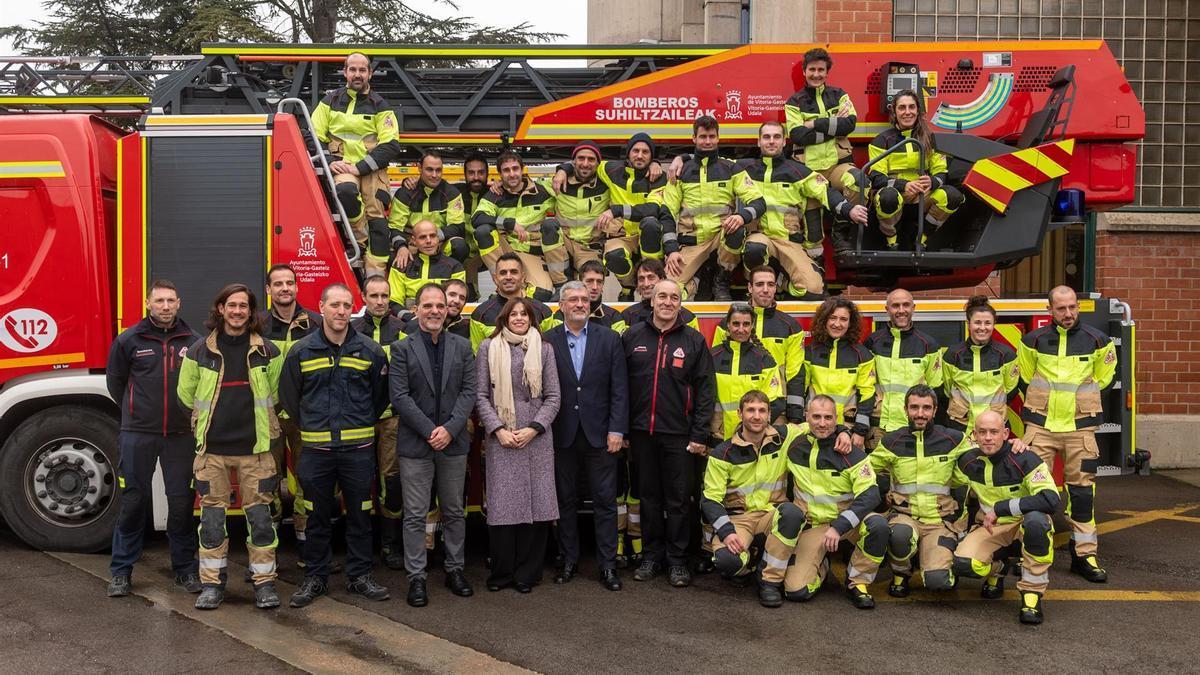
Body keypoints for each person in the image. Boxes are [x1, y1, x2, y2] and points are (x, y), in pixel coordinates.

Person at [280, 283, 391, 608]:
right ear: (322, 307)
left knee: (360, 516)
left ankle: (359, 577)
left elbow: (379, 397)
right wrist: (313, 425)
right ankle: (315, 577)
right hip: (316, 452)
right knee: (316, 516)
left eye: (346, 306)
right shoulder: (301, 351)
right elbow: (289, 396)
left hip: (357, 451)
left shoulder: (370, 351)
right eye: (335, 305)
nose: (341, 311)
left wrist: (358, 423)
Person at [177, 284, 283, 610]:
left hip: (256, 450)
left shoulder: (268, 352)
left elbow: (276, 397)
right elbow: (186, 395)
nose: (238, 311)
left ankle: (264, 584)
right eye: (231, 305)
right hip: (213, 451)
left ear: (251, 312)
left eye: (244, 306)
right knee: (210, 521)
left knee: (262, 520)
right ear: (220, 309)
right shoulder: (198, 352)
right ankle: (212, 585)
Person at [105, 280, 199, 598]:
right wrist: (137, 415)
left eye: (170, 300)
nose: (165, 306)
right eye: (158, 300)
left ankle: (185, 570)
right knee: (133, 502)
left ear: (179, 303)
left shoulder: (194, 342)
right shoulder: (129, 340)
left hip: (180, 436)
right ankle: (121, 572)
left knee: (182, 505)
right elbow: (116, 383)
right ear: (147, 303)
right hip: (138, 435)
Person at [1018, 285, 1117, 583]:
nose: (1068, 313)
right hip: (1041, 427)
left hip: (1080, 427)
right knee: (1037, 491)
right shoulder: (1032, 341)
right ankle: (1036, 553)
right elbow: (1025, 376)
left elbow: (1105, 378)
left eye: (1072, 307)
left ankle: (1084, 555)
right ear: (1050, 310)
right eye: (1061, 308)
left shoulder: (1098, 341)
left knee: (1082, 493)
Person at [389, 284, 478, 607]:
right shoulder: (402, 349)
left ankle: (455, 569)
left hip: (453, 443)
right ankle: (417, 577)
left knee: (454, 511)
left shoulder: (463, 346)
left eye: (440, 305)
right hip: (417, 443)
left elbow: (470, 392)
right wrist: (431, 431)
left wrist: (450, 430)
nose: (435, 311)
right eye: (428, 305)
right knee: (414, 514)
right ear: (416, 309)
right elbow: (399, 397)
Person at [623, 279, 715, 587]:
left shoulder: (693, 341)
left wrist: (700, 435)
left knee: (678, 500)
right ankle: (652, 557)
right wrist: (622, 430)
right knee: (648, 497)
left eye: (673, 297)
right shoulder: (632, 336)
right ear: (651, 299)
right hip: (640, 434)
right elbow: (620, 388)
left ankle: (678, 561)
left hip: (679, 435)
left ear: (680, 303)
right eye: (662, 295)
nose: (667, 301)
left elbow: (705, 392)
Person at [545, 281, 628, 591]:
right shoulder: (548, 341)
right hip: (561, 434)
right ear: (562, 307)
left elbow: (619, 388)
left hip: (601, 435)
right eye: (573, 300)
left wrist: (617, 430)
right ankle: (568, 560)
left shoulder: (609, 339)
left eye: (584, 299)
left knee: (605, 501)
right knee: (565, 501)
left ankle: (608, 566)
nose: (580, 304)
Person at [476, 297, 562, 593]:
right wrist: (498, 430)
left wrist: (534, 428)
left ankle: (528, 575)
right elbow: (480, 396)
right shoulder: (488, 347)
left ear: (532, 318)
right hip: (502, 439)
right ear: (504, 318)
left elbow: (553, 397)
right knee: (503, 510)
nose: (519, 318)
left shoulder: (545, 349)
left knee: (535, 509)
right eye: (513, 314)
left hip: (535, 440)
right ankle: (501, 574)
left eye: (524, 314)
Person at [702, 391, 808, 608]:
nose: (756, 416)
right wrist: (726, 532)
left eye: (762, 410)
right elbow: (710, 499)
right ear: (740, 414)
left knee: (792, 513)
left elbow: (816, 426)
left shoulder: (783, 436)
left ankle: (769, 581)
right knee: (727, 562)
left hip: (771, 514)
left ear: (770, 415)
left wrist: (843, 431)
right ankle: (748, 562)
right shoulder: (722, 453)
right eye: (750, 410)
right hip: (739, 520)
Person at [952, 410, 1059, 624]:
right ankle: (999, 568)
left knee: (1037, 522)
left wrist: (1001, 508)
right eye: (982, 432)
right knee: (964, 563)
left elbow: (1050, 499)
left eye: (994, 431)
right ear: (974, 435)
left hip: (1023, 523)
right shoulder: (967, 461)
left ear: (1006, 433)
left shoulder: (1025, 457)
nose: (988, 437)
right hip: (993, 527)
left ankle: (1031, 595)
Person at [738, 121, 867, 298]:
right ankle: (756, 287)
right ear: (758, 142)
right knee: (754, 248)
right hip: (761, 237)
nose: (771, 141)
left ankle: (781, 283)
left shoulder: (799, 171)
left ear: (784, 142)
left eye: (777, 137)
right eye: (766, 137)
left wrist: (848, 210)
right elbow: (713, 164)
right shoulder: (743, 169)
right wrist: (685, 159)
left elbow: (824, 192)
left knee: (813, 291)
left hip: (789, 241)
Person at [782, 395, 888, 609]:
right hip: (814, 527)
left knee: (878, 525)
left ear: (836, 418)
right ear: (806, 418)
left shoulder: (853, 453)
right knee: (796, 591)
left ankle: (857, 582)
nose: (822, 423)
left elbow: (871, 495)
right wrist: (842, 429)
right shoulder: (793, 443)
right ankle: (822, 565)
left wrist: (839, 527)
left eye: (828, 418)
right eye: (817, 417)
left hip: (847, 524)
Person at [869, 385, 970, 597]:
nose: (920, 414)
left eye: (926, 408)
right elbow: (864, 471)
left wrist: (1015, 446)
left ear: (935, 411)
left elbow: (985, 457)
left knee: (938, 583)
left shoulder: (955, 439)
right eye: (914, 407)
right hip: (905, 517)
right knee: (899, 535)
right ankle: (901, 573)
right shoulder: (890, 442)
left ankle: (943, 560)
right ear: (905, 410)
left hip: (939, 521)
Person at [653, 115, 766, 300]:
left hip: (720, 238)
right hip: (690, 243)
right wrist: (671, 250)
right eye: (703, 137)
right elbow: (666, 213)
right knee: (668, 291)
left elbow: (759, 202)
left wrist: (741, 216)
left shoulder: (731, 168)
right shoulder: (681, 171)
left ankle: (722, 279)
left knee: (737, 230)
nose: (708, 141)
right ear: (694, 139)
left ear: (718, 138)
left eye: (712, 136)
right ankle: (696, 283)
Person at [311, 52, 402, 276]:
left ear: (370, 73)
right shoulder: (329, 101)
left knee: (379, 226)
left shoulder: (381, 106)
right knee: (346, 192)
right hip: (341, 167)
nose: (357, 74)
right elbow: (312, 136)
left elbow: (391, 145)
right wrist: (330, 161)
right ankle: (359, 241)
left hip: (370, 170)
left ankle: (376, 282)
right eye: (353, 69)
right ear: (345, 72)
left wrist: (359, 168)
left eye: (362, 70)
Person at [555, 132, 668, 297]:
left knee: (650, 223)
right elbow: (584, 163)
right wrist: (562, 170)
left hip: (647, 233)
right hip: (621, 235)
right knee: (614, 257)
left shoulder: (659, 178)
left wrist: (616, 210)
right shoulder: (610, 170)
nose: (640, 155)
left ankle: (654, 289)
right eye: (635, 151)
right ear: (628, 153)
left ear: (651, 156)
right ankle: (627, 289)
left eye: (645, 152)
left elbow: (652, 210)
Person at [262, 263, 323, 564]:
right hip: (268, 417)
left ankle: (306, 550)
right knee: (267, 482)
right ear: (268, 290)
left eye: (289, 283)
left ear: (297, 287)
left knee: (306, 481)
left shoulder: (315, 323)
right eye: (278, 284)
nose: (285, 288)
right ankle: (267, 553)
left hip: (305, 416)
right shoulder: (257, 327)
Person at [350, 275, 408, 569]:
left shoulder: (403, 330)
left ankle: (390, 545)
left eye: (384, 296)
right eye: (374, 296)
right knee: (358, 484)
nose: (380, 301)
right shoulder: (351, 330)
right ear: (363, 297)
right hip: (357, 421)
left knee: (392, 484)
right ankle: (360, 545)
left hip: (391, 421)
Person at [867, 89, 964, 250]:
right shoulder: (881, 140)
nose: (907, 112)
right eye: (902, 107)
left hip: (922, 194)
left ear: (918, 110)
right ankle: (892, 241)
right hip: (895, 193)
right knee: (887, 197)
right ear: (894, 111)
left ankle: (922, 238)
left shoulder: (930, 139)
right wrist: (902, 185)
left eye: (912, 107)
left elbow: (941, 172)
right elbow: (876, 176)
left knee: (952, 196)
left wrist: (932, 181)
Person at [711, 267, 805, 423]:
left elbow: (796, 374)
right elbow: (716, 367)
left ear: (776, 287)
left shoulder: (790, 327)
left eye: (770, 284)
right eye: (760, 284)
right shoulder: (725, 325)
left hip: (775, 410)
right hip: (729, 413)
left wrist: (795, 416)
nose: (766, 290)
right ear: (750, 287)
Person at [472, 150, 562, 299]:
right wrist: (508, 223)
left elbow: (569, 184)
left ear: (522, 169)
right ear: (500, 174)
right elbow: (477, 218)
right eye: (506, 170)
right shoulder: (495, 194)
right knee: (483, 232)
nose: (512, 174)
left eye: (515, 169)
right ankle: (501, 286)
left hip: (531, 252)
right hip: (506, 251)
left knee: (542, 294)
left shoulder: (542, 190)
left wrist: (563, 172)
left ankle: (514, 293)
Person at [785, 47, 864, 210]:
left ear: (827, 72)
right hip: (809, 172)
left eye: (821, 69)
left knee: (859, 181)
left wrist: (814, 124)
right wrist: (834, 128)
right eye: (812, 69)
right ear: (804, 72)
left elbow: (849, 124)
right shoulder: (794, 102)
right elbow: (798, 136)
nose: (816, 74)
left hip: (838, 166)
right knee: (814, 232)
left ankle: (843, 224)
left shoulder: (839, 95)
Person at [864, 288, 944, 450]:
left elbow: (936, 390)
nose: (901, 310)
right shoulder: (873, 342)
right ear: (887, 310)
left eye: (906, 305)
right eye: (895, 306)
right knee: (879, 474)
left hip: (913, 425)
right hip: (879, 425)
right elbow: (865, 385)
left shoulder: (928, 344)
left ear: (913, 308)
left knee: (909, 474)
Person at [800, 297, 876, 447]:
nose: (837, 324)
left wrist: (860, 432)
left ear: (850, 323)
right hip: (814, 427)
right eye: (832, 318)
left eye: (843, 319)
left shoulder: (862, 355)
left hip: (848, 429)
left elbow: (867, 395)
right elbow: (799, 389)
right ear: (824, 320)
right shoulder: (810, 353)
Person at [943, 295, 1020, 434]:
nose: (982, 328)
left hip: (994, 427)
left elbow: (1011, 390)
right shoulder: (953, 355)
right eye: (977, 322)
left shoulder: (1006, 355)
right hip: (960, 425)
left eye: (987, 323)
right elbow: (946, 390)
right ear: (969, 323)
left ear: (994, 324)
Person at [710, 304, 784, 441]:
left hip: (753, 438)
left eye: (746, 324)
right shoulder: (711, 357)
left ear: (752, 326)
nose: (741, 329)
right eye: (736, 324)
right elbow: (702, 398)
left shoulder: (765, 360)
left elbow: (776, 401)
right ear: (728, 325)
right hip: (718, 437)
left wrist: (754, 428)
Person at [389, 150, 470, 267]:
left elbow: (458, 227)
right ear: (419, 168)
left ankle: (449, 279)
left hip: (439, 243)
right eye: (429, 169)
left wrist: (433, 238)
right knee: (394, 258)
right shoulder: (404, 194)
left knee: (460, 246)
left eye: (438, 170)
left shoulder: (452, 193)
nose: (434, 175)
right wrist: (401, 247)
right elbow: (394, 227)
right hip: (412, 243)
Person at [469, 252, 553, 351]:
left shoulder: (543, 312)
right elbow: (478, 357)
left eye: (514, 272)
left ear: (523, 277)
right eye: (503, 273)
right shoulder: (480, 315)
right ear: (495, 278)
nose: (508, 277)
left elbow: (548, 353)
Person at [389, 219, 467, 312]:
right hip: (409, 321)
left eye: (433, 236)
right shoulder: (402, 265)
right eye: (422, 237)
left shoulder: (455, 267)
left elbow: (455, 304)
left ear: (438, 238)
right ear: (413, 241)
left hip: (442, 320)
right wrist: (408, 318)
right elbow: (394, 301)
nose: (428, 241)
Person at [618, 258, 699, 332]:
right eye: (641, 279)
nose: (646, 284)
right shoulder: (627, 316)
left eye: (651, 277)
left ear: (662, 279)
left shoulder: (687, 317)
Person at [546, 260, 625, 332]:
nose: (595, 287)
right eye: (589, 281)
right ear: (579, 283)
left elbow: (616, 346)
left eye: (599, 282)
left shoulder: (614, 317)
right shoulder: (561, 314)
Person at [452, 153, 491, 300]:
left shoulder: (494, 194)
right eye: (471, 173)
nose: (476, 177)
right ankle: (470, 295)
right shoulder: (453, 192)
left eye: (481, 173)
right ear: (465, 174)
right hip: (462, 252)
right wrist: (408, 181)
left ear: (487, 174)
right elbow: (430, 183)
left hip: (486, 253)